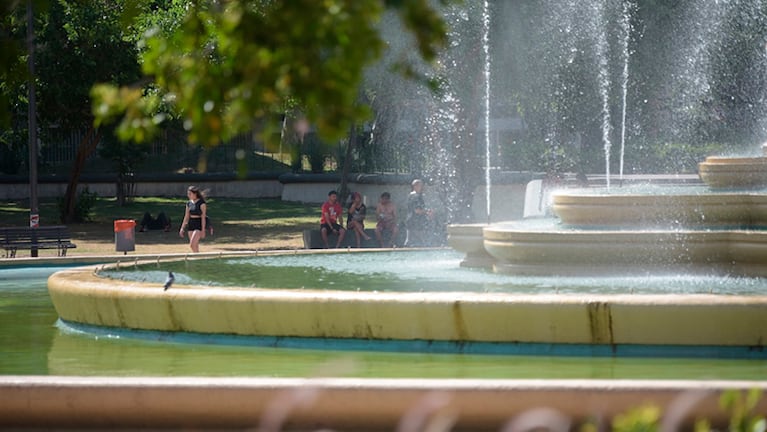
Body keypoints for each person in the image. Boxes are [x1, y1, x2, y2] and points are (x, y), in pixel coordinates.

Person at [405, 179, 434, 247]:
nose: (422, 187)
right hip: (415, 221)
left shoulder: (413, 195)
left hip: (413, 220)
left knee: (410, 239)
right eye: (420, 185)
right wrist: (427, 212)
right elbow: (417, 210)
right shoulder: (415, 196)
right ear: (415, 186)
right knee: (421, 238)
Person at [179, 185, 207, 252]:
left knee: (192, 244)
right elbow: (186, 216)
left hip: (198, 224)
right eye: (188, 194)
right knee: (195, 245)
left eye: (190, 194)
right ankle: (197, 258)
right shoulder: (188, 203)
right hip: (191, 223)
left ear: (195, 194)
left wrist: (203, 230)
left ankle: (198, 257)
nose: (188, 195)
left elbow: (203, 217)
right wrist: (182, 228)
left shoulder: (202, 203)